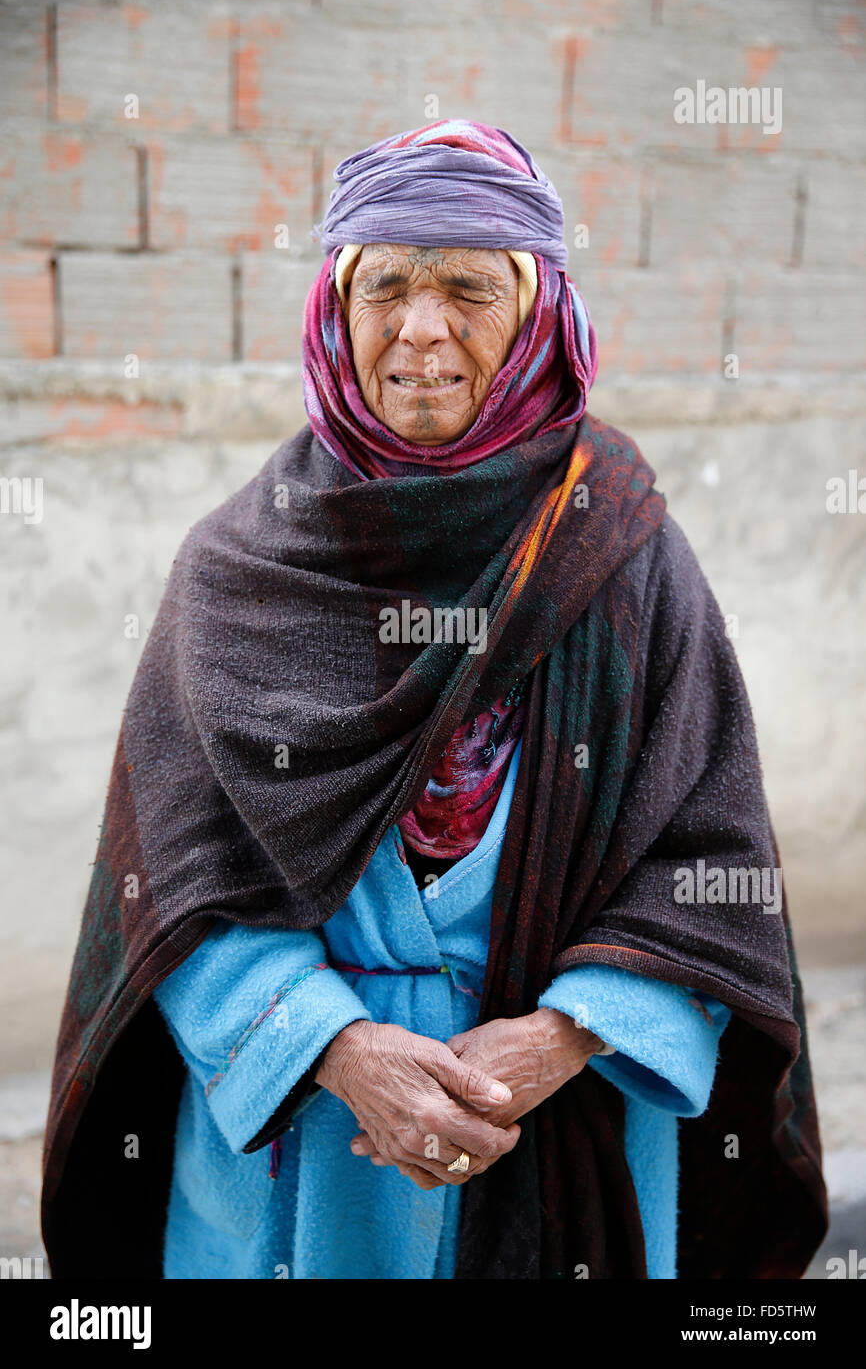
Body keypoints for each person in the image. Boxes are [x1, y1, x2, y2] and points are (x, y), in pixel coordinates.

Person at [41, 120, 827, 1281]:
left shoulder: (626, 559)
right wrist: (335, 1044)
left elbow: (708, 863)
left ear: (540, 314)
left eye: (467, 286)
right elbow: (168, 876)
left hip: (561, 1132)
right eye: (385, 287)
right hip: (301, 1152)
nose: (420, 330)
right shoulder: (237, 566)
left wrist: (564, 1035)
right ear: (332, 310)